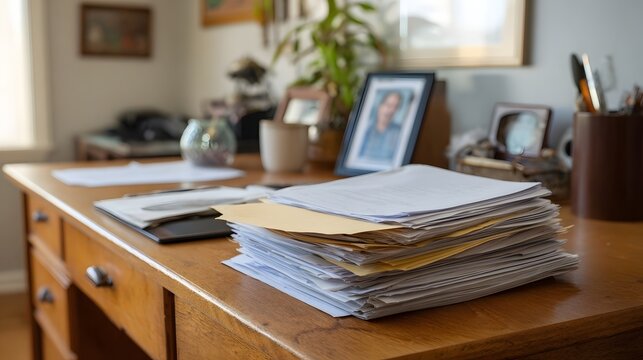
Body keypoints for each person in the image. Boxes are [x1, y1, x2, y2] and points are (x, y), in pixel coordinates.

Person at [359, 91, 403, 162]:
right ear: (380, 106)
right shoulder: (364, 129)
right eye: (389, 105)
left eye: (396, 107)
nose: (392, 110)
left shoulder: (399, 132)